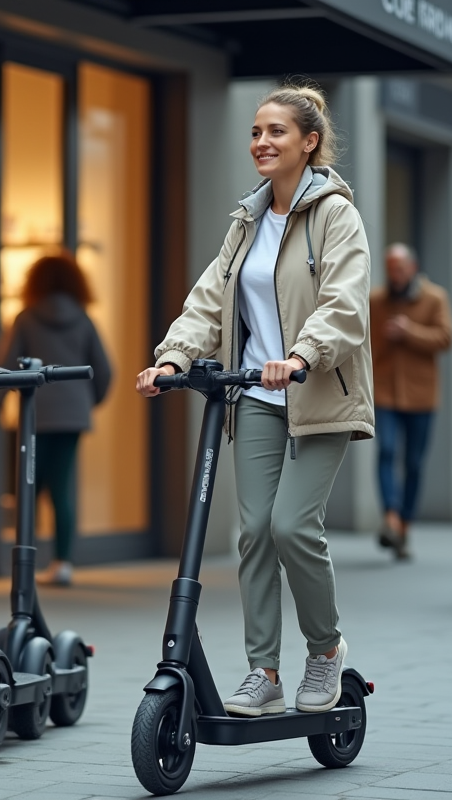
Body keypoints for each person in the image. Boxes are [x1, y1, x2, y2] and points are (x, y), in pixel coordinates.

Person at [137, 81, 373, 718]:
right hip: (256, 398)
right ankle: (263, 670)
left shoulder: (335, 216)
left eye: (276, 132)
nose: (261, 143)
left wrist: (300, 357)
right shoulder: (246, 220)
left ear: (309, 142)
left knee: (292, 525)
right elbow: (210, 301)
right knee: (252, 535)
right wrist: (172, 357)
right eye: (255, 132)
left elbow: (344, 306)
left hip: (316, 392)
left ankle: (324, 650)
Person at [0, 251, 112, 587]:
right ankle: (63, 562)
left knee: (29, 487)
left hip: (36, 413)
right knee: (62, 487)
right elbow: (104, 370)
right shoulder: (83, 318)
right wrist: (87, 403)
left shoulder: (26, 318)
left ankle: (25, 561)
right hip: (72, 414)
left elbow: (6, 366)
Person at [369, 243, 452, 560]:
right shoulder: (376, 301)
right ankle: (391, 515)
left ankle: (404, 525)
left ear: (413, 268)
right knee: (387, 451)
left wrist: (410, 331)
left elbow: (446, 338)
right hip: (386, 391)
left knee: (415, 463)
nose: (395, 274)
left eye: (400, 268)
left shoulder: (435, 298)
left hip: (421, 394)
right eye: (390, 268)